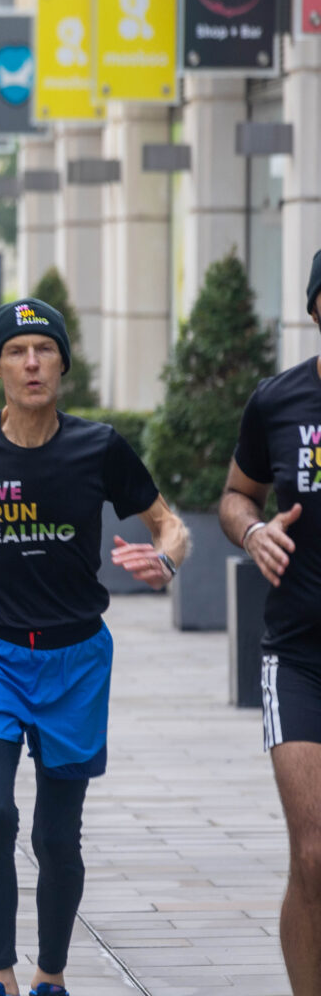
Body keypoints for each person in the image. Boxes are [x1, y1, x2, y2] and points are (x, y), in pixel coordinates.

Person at [0, 298, 188, 996]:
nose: (32, 363)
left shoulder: (99, 446)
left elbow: (168, 522)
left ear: (63, 361)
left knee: (58, 838)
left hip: (75, 662)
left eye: (45, 349)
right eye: (18, 351)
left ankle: (49, 977)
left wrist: (167, 560)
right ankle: (0, 977)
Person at [218, 246, 321, 996]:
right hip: (300, 653)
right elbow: (234, 495)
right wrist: (253, 532)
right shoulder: (277, 401)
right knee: (315, 854)